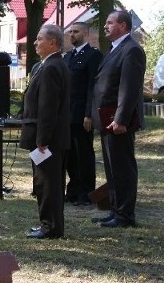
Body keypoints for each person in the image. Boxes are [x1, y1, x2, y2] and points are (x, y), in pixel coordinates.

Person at [91, 10, 145, 228]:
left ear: (123, 26)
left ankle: (125, 215)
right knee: (112, 168)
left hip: (118, 120)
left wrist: (121, 119)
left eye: (110, 22)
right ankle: (115, 210)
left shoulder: (132, 50)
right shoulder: (115, 48)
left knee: (122, 167)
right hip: (106, 118)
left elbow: (129, 88)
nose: (105, 26)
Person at [20, 24, 70, 239]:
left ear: (53, 43)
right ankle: (49, 223)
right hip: (48, 136)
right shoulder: (45, 65)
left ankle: (50, 227)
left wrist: (43, 139)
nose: (35, 42)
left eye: (40, 39)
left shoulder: (52, 67)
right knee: (47, 182)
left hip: (48, 139)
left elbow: (48, 106)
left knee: (47, 183)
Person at [64, 22, 103, 206]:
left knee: (84, 154)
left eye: (76, 31)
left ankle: (86, 192)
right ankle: (72, 190)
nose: (72, 34)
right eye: (70, 31)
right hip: (67, 114)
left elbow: (92, 87)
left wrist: (89, 114)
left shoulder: (93, 56)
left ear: (85, 34)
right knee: (69, 154)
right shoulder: (68, 56)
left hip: (82, 114)